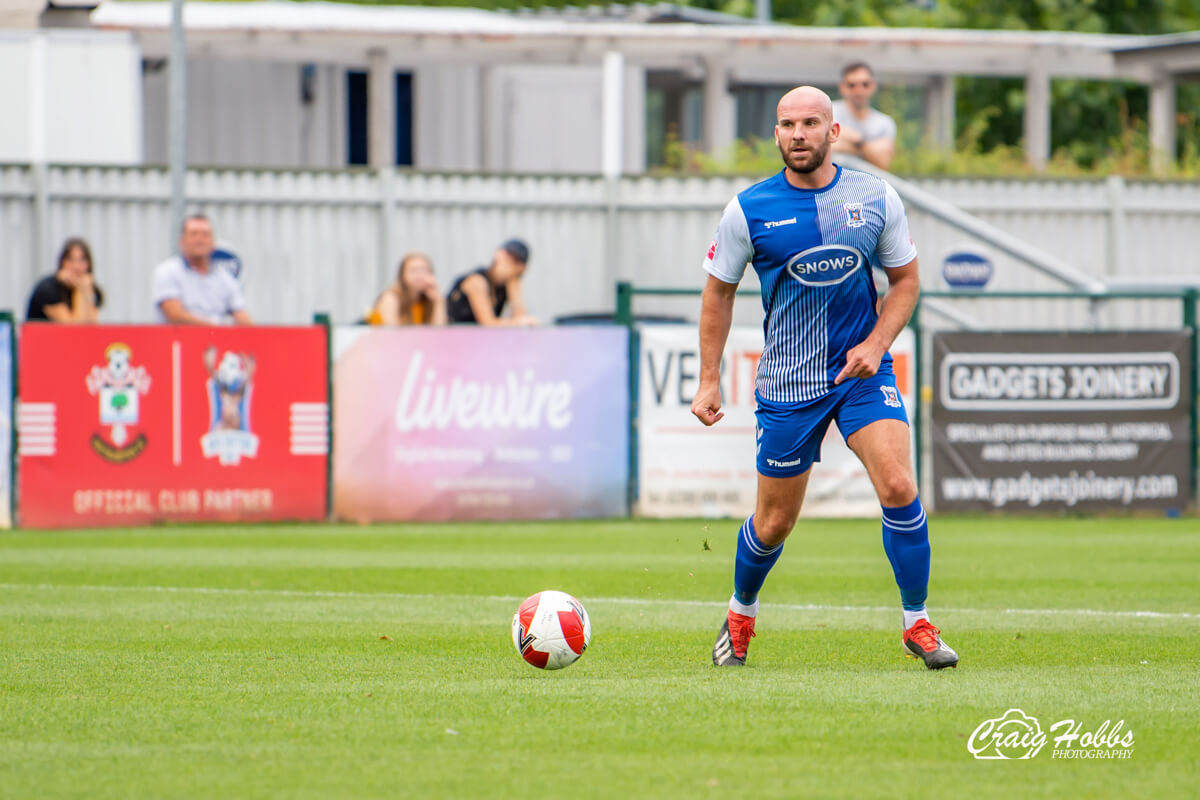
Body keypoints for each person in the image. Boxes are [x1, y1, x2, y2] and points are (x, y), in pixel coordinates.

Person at [694, 86, 957, 670]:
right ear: (777, 134)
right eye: (787, 124)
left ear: (833, 131)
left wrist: (876, 344)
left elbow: (906, 282)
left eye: (810, 123)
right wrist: (708, 380)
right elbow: (718, 293)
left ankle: (918, 623)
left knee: (898, 487)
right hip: (788, 386)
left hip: (862, 373)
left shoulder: (875, 196)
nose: (798, 134)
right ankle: (740, 615)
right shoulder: (748, 209)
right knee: (773, 523)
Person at [153, 214, 252, 325]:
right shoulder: (168, 272)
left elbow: (242, 317)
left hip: (216, 340)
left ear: (213, 242)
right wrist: (216, 329)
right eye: (193, 234)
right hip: (177, 341)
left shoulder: (225, 279)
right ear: (182, 241)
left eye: (205, 235)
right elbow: (174, 315)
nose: (200, 240)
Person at [445, 239, 537, 326]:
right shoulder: (477, 280)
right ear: (498, 253)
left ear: (522, 268)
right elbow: (487, 323)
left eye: (516, 261)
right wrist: (519, 322)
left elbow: (521, 320)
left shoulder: (508, 285)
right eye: (508, 255)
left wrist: (514, 286)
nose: (508, 262)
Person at [831, 63, 897, 170]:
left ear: (873, 86)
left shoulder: (885, 123)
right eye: (852, 85)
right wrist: (870, 147)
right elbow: (824, 148)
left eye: (865, 84)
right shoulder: (829, 111)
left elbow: (883, 163)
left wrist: (857, 141)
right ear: (842, 87)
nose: (859, 90)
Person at [26, 237, 103, 323]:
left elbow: (92, 326)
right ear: (62, 262)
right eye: (71, 260)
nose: (76, 266)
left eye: (82, 260)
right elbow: (73, 329)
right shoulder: (48, 289)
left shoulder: (88, 287)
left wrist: (86, 291)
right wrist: (79, 289)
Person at [366, 252, 447, 325]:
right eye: (414, 270)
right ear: (402, 275)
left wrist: (438, 301)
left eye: (424, 270)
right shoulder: (391, 298)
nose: (420, 275)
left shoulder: (428, 300)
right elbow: (391, 335)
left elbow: (438, 333)